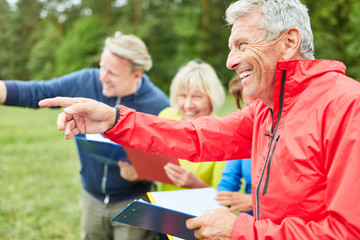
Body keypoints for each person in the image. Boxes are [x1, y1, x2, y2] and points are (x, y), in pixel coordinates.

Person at [39, 0, 360, 239]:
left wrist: (240, 229)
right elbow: (195, 137)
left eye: (242, 44)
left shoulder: (346, 105)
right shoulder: (267, 109)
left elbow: (348, 231)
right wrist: (113, 120)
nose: (231, 60)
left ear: (289, 42)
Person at [0, 31, 169, 240]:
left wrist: (142, 173)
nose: (102, 77)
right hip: (92, 198)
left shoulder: (158, 105)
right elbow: (38, 91)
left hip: (134, 201)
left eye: (112, 73)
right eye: (101, 67)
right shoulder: (85, 81)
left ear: (137, 74)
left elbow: (170, 164)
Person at [118, 60, 226, 191]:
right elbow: (157, 168)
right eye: (182, 96)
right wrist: (138, 174)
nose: (188, 105)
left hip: (199, 211)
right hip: (164, 206)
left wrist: (195, 184)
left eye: (197, 97)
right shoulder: (167, 117)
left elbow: (225, 198)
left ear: (212, 98)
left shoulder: (222, 134)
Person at [216, 74, 255, 216]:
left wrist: (255, 201)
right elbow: (229, 180)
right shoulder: (246, 134)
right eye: (247, 107)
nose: (251, 114)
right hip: (250, 222)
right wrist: (218, 207)